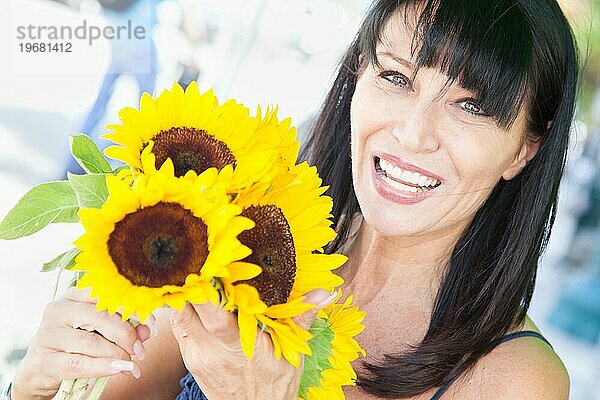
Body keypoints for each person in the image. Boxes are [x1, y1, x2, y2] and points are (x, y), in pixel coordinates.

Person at [9, 0, 578, 399]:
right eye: (398, 78)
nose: (412, 134)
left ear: (525, 147)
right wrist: (33, 388)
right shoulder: (246, 237)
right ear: (358, 75)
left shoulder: (517, 379)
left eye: (471, 105)